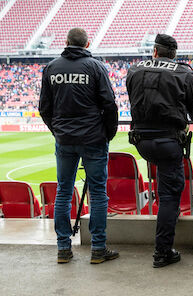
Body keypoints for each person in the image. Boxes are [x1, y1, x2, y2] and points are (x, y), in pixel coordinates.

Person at [38, 28, 119, 264]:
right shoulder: (95, 67)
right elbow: (110, 104)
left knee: (63, 192)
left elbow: (45, 108)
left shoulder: (52, 68)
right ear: (87, 44)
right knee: (98, 193)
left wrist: (58, 132)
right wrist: (108, 133)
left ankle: (63, 248)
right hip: (93, 139)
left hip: (65, 141)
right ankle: (98, 249)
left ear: (66, 42)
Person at [126, 34, 193, 268]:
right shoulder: (184, 73)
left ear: (155, 51)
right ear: (174, 54)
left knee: (163, 185)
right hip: (168, 141)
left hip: (141, 142)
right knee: (170, 195)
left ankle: (166, 220)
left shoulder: (134, 70)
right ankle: (163, 251)